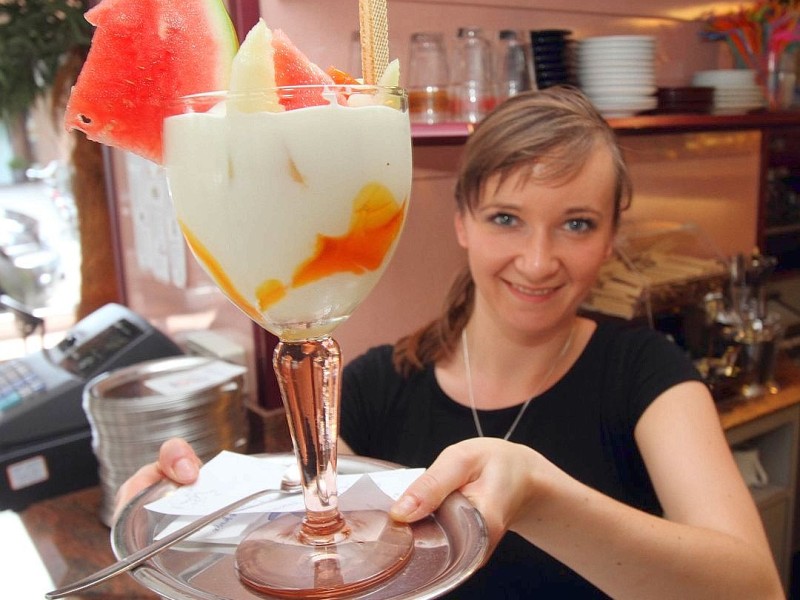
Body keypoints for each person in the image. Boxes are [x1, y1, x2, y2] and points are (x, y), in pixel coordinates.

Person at [116, 87, 784, 599]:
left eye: (576, 224)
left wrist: (540, 498)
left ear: (611, 238)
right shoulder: (376, 387)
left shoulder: (646, 372)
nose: (538, 259)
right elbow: (306, 556)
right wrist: (187, 521)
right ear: (461, 220)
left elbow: (755, 586)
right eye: (506, 219)